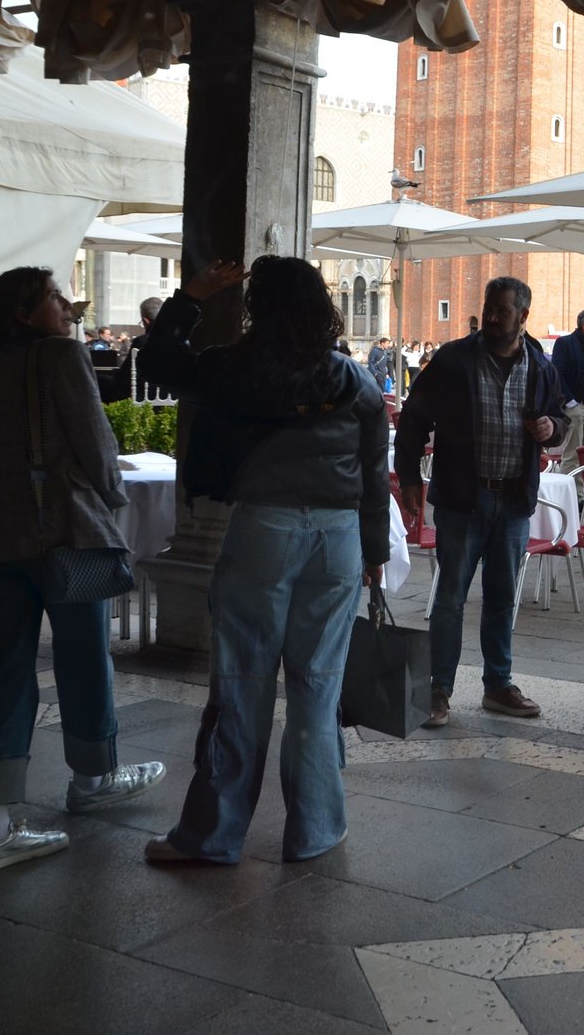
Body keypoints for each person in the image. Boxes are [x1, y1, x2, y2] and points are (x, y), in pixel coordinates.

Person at [135, 257, 388, 866]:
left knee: (243, 682)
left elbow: (158, 363)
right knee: (317, 687)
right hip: (340, 536)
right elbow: (375, 475)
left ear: (260, 308)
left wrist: (191, 295)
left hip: (264, 528)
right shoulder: (357, 381)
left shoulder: (235, 369)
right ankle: (317, 829)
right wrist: (375, 555)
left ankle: (213, 836)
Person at [0, 268, 164, 877]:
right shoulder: (60, 357)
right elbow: (98, 448)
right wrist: (112, 497)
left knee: (1, 674)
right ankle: (94, 776)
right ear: (24, 311)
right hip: (62, 530)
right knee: (83, 654)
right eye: (53, 296)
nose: (67, 306)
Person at [395, 277, 568, 728]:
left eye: (503, 312)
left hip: (512, 500)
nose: (492, 318)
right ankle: (438, 690)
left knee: (502, 596)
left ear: (523, 317)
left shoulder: (541, 365)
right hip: (461, 500)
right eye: (490, 309)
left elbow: (561, 418)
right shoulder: (454, 360)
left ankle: (498, 684)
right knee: (450, 597)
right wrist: (410, 476)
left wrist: (551, 426)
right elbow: (413, 419)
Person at [550, 309, 584, 467]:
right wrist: (570, 401)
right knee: (572, 454)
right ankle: (569, 490)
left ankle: (582, 491)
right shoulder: (565, 343)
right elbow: (557, 374)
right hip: (575, 407)